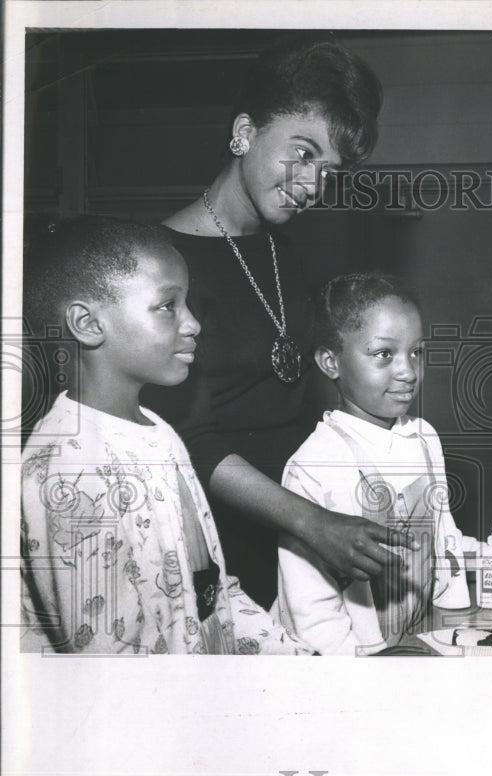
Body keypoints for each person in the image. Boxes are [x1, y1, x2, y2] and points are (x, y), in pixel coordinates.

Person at [141, 33, 407, 608]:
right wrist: (313, 522)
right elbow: (191, 442)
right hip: (224, 541)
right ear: (243, 134)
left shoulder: (282, 250)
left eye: (330, 170)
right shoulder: (160, 263)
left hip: (307, 534)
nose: (313, 185)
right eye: (303, 152)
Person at [20, 216, 310, 654]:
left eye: (188, 304)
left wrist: (299, 660)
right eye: (168, 305)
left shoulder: (160, 433)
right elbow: (103, 665)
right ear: (88, 323)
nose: (193, 323)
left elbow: (211, 595)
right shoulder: (68, 468)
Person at [274, 274, 472, 655]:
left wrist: (455, 624)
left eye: (416, 352)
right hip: (347, 664)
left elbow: (444, 537)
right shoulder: (313, 466)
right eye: (384, 354)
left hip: (413, 643)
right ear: (331, 362)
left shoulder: (424, 437)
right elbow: (313, 613)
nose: (408, 371)